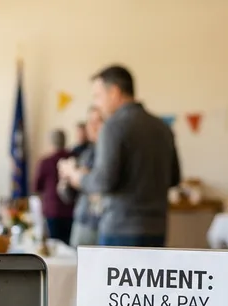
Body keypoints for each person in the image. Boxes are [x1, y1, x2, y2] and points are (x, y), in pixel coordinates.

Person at [73, 65, 180, 247]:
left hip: (120, 229)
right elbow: (174, 178)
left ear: (114, 92)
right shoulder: (162, 127)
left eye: (98, 96)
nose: (97, 103)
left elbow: (103, 182)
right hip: (157, 229)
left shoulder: (113, 126)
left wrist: (78, 177)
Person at [58, 107, 104, 247]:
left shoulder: (109, 152)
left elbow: (98, 185)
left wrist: (77, 174)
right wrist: (65, 179)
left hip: (100, 223)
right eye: (90, 122)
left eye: (98, 121)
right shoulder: (86, 153)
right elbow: (68, 194)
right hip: (82, 220)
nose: (92, 127)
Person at [33, 129, 75, 243]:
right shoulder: (73, 158)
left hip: (53, 211)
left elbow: (37, 187)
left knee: (55, 246)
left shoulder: (46, 162)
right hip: (71, 210)